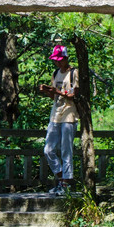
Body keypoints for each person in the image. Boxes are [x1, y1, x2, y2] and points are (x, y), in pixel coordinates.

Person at [39, 44, 79, 196]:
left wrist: (58, 92)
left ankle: (66, 184)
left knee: (66, 150)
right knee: (48, 150)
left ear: (66, 58)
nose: (57, 63)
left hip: (69, 115)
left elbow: (73, 95)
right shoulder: (56, 73)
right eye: (55, 60)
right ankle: (62, 179)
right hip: (55, 115)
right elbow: (54, 96)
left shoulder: (74, 73)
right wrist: (48, 91)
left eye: (60, 60)